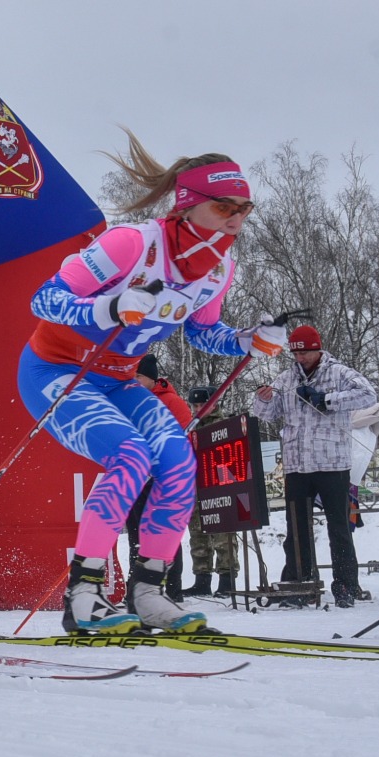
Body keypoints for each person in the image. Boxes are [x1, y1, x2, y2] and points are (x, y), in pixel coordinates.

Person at [19, 135, 286, 634]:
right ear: (188, 205)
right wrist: (106, 308)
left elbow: (205, 331)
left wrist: (249, 340)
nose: (236, 218)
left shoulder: (219, 269)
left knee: (178, 462)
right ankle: (84, 594)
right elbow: (43, 300)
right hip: (56, 371)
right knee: (131, 456)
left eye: (244, 208)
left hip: (118, 380)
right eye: (224, 206)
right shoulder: (132, 244)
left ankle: (149, 592)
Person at [250, 325, 377, 608]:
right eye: (295, 352)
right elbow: (268, 415)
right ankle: (299, 582)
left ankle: (346, 583)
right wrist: (263, 399)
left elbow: (369, 395)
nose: (301, 357)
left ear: (318, 348)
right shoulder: (285, 378)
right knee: (297, 529)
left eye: (305, 351)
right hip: (297, 464)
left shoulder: (339, 372)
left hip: (332, 463)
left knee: (339, 526)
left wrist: (327, 399)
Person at [121, 353, 194, 604]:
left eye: (138, 376)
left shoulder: (171, 402)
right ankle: (138, 590)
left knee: (164, 535)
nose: (133, 380)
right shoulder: (129, 401)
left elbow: (185, 442)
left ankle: (172, 589)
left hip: (163, 479)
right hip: (137, 478)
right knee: (136, 537)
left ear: (151, 379)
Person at [184, 386, 239, 598]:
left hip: (219, 485)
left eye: (203, 405)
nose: (199, 409)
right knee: (197, 534)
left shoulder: (223, 426)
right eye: (195, 405)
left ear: (214, 404)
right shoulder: (190, 427)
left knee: (223, 533)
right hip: (195, 485)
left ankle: (227, 578)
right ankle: (202, 579)